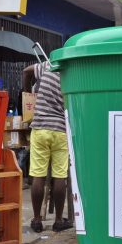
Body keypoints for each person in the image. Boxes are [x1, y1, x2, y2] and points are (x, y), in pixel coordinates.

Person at [22, 61, 71, 233]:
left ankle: (37, 220)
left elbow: (26, 72)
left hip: (41, 127)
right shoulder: (72, 73)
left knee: (38, 174)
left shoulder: (48, 65)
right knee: (60, 176)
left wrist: (28, 92)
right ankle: (58, 220)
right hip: (61, 130)